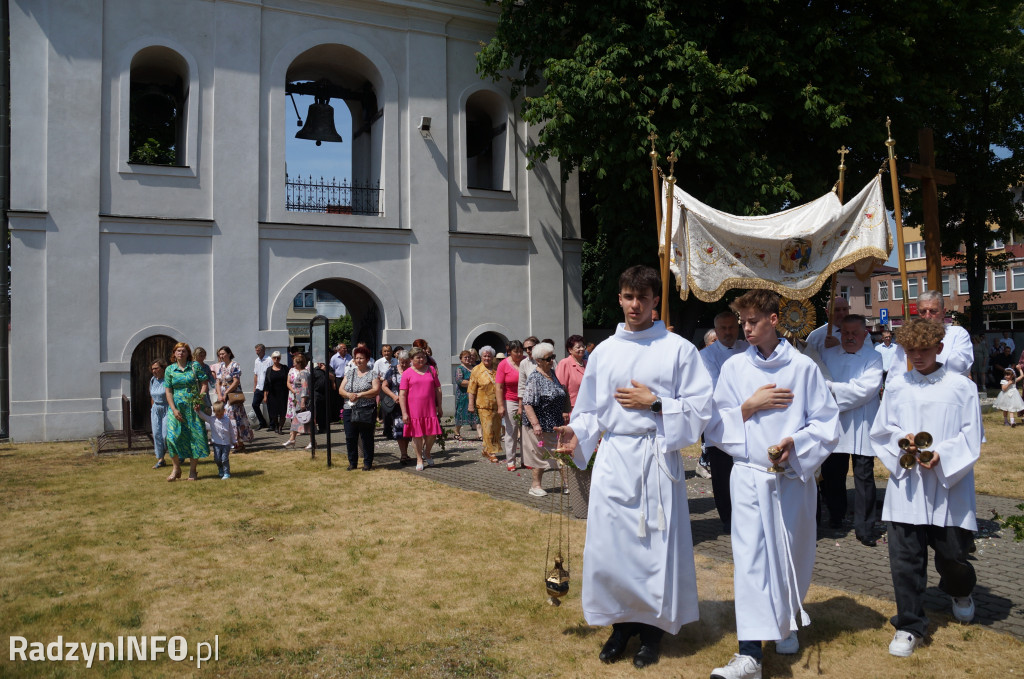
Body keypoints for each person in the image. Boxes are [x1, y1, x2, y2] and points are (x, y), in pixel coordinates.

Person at [555, 265, 713, 670]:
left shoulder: (678, 349)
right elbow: (590, 410)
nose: (635, 305)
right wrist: (576, 432)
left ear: (656, 300)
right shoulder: (605, 351)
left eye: (643, 297)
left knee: (653, 547)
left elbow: (701, 408)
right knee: (613, 547)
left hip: (656, 457)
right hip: (615, 458)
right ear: (620, 299)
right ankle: (620, 627)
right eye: (628, 296)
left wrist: (656, 403)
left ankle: (652, 632)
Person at [705, 289, 839, 678]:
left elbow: (826, 424)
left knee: (789, 554)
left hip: (790, 478)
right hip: (749, 476)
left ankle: (787, 620)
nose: (745, 329)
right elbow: (714, 425)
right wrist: (749, 406)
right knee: (749, 562)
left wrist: (795, 443)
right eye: (742, 322)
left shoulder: (802, 368)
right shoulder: (734, 368)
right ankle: (749, 654)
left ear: (774, 320)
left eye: (753, 322)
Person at [869, 317, 981, 657]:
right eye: (910, 351)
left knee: (953, 556)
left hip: (949, 484)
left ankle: (960, 589)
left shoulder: (962, 387)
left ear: (939, 348)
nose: (917, 357)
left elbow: (972, 435)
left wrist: (942, 455)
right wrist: (900, 440)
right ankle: (909, 625)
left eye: (924, 350)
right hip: (908, 485)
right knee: (905, 559)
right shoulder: (897, 386)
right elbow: (881, 430)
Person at [821, 315, 884, 544]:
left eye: (854, 333)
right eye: (845, 333)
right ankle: (836, 516)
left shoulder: (873, 357)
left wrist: (832, 389)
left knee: (864, 477)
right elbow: (820, 386)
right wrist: (833, 390)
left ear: (864, 334)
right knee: (833, 474)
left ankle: (865, 528)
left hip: (862, 424)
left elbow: (865, 390)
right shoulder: (828, 356)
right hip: (836, 423)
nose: (849, 337)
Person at [699, 310, 751, 527]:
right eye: (723, 328)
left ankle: (747, 516)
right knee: (723, 476)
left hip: (748, 420)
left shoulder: (749, 348)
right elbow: (716, 387)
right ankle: (728, 520)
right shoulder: (706, 356)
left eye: (732, 327)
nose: (728, 332)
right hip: (719, 423)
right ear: (716, 330)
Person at [887, 290, 973, 382]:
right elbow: (895, 374)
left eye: (933, 311)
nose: (927, 316)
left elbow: (959, 366)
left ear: (943, 312)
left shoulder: (957, 333)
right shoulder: (909, 336)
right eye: (923, 311)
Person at [521, 342, 569, 496]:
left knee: (560, 454)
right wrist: (535, 424)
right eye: (548, 359)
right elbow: (527, 403)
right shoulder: (534, 378)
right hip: (541, 424)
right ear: (538, 360)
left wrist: (564, 410)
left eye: (553, 357)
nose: (552, 360)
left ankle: (567, 484)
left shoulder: (552, 373)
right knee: (540, 456)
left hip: (555, 423)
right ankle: (535, 486)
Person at [163, 342, 210, 481]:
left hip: (193, 407)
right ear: (174, 353)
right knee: (171, 437)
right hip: (176, 407)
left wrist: (199, 399)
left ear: (188, 353)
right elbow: (168, 391)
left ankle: (193, 471)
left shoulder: (195, 366)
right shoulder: (170, 369)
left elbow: (204, 383)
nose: (181, 353)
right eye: (178, 351)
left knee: (194, 437)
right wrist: (173, 409)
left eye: (183, 351)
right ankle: (176, 468)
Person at [400, 347, 443, 470]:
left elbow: (438, 389)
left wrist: (440, 406)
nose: (421, 359)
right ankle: (419, 458)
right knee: (417, 435)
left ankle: (427, 452)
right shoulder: (407, 373)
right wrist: (404, 412)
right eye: (418, 357)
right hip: (414, 409)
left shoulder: (431, 370)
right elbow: (402, 394)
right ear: (411, 359)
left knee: (432, 434)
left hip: (430, 408)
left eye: (423, 357)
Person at [340, 346, 381, 470]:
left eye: (361, 358)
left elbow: (376, 390)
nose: (358, 360)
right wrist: (349, 395)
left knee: (366, 437)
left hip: (366, 409)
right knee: (350, 437)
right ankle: (352, 463)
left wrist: (360, 395)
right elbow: (341, 390)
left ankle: (367, 463)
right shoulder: (350, 373)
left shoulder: (372, 373)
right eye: (356, 358)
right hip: (349, 409)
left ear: (367, 359)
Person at [214, 346, 253, 452]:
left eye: (223, 353)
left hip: (233, 396)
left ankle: (238, 442)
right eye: (220, 354)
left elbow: (236, 381)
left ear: (229, 354)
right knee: (226, 417)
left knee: (234, 418)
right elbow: (218, 381)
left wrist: (226, 393)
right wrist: (219, 394)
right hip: (223, 397)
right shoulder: (221, 366)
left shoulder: (235, 365)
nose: (221, 356)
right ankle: (233, 442)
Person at [467, 347, 502, 463]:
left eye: (489, 356)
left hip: (497, 404)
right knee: (488, 427)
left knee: (496, 428)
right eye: (484, 356)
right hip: (483, 404)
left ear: (493, 357)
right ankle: (491, 452)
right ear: (481, 357)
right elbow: (471, 389)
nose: (487, 358)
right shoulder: (477, 370)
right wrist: (470, 404)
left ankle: (487, 449)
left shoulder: (497, 368)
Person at [496, 340, 525, 471]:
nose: (519, 354)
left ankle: (526, 460)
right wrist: (500, 405)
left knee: (526, 432)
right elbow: (499, 387)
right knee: (511, 430)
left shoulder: (526, 361)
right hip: (510, 400)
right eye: (516, 351)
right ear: (509, 352)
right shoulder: (503, 364)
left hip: (526, 400)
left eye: (521, 351)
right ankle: (511, 461)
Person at [382, 351, 413, 464]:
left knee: (408, 428)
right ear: (398, 360)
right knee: (399, 428)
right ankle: (403, 454)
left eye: (406, 362)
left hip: (411, 404)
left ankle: (406, 452)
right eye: (402, 362)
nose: (404, 364)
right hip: (397, 405)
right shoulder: (392, 370)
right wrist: (394, 396)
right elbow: (384, 386)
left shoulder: (412, 370)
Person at [196, 401, 238, 479]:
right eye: (217, 414)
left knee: (224, 459)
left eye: (221, 414)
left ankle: (226, 473)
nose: (219, 416)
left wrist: (234, 441)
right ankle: (220, 468)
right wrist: (198, 411)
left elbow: (231, 431)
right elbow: (204, 416)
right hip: (217, 443)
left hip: (226, 443)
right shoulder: (212, 419)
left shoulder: (227, 420)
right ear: (214, 412)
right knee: (217, 459)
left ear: (224, 411)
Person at [283, 354, 310, 448]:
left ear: (299, 363)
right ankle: (292, 439)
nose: (293, 364)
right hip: (298, 399)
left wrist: (303, 401)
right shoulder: (302, 372)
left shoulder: (303, 373)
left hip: (302, 400)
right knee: (296, 419)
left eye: (294, 362)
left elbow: (305, 388)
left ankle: (312, 441)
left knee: (307, 421)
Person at [555, 334, 587, 412]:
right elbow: (560, 388)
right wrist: (564, 410)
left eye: (583, 346)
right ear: (570, 350)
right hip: (571, 409)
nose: (582, 349)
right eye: (578, 347)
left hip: (587, 407)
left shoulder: (587, 363)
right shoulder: (565, 363)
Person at [453, 350, 480, 441]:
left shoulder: (474, 368)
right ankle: (457, 432)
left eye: (469, 357)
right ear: (461, 359)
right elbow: (460, 381)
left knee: (476, 414)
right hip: (463, 395)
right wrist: (473, 383)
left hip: (474, 394)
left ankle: (480, 434)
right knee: (460, 413)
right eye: (465, 357)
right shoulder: (459, 368)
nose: (468, 359)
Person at [149, 359, 169, 469]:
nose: (154, 371)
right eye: (152, 369)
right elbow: (152, 396)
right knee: (156, 434)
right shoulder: (152, 380)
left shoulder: (168, 379)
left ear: (163, 368)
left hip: (167, 408)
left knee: (165, 435)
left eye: (156, 368)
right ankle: (160, 459)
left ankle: (177, 454)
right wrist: (153, 408)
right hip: (156, 409)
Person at [264, 351, 289, 434]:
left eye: (278, 358)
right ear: (272, 358)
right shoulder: (269, 370)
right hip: (272, 394)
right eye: (275, 358)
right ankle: (276, 425)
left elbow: (289, 380)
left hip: (283, 393)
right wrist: (265, 396)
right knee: (273, 413)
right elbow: (266, 383)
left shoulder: (285, 368)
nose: (276, 359)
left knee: (283, 412)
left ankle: (280, 428)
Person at [252, 343, 272, 430]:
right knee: (255, 404)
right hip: (259, 387)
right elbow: (255, 374)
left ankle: (272, 424)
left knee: (270, 406)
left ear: (263, 350)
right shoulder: (256, 361)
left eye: (258, 350)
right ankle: (262, 422)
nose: (257, 352)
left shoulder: (269, 359)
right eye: (256, 350)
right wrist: (254, 386)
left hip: (267, 387)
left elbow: (271, 373)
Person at [193, 347, 215, 415]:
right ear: (196, 355)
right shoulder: (192, 366)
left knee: (206, 409)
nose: (202, 358)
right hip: (194, 389)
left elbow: (211, 380)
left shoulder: (206, 367)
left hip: (204, 389)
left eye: (203, 356)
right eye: (200, 356)